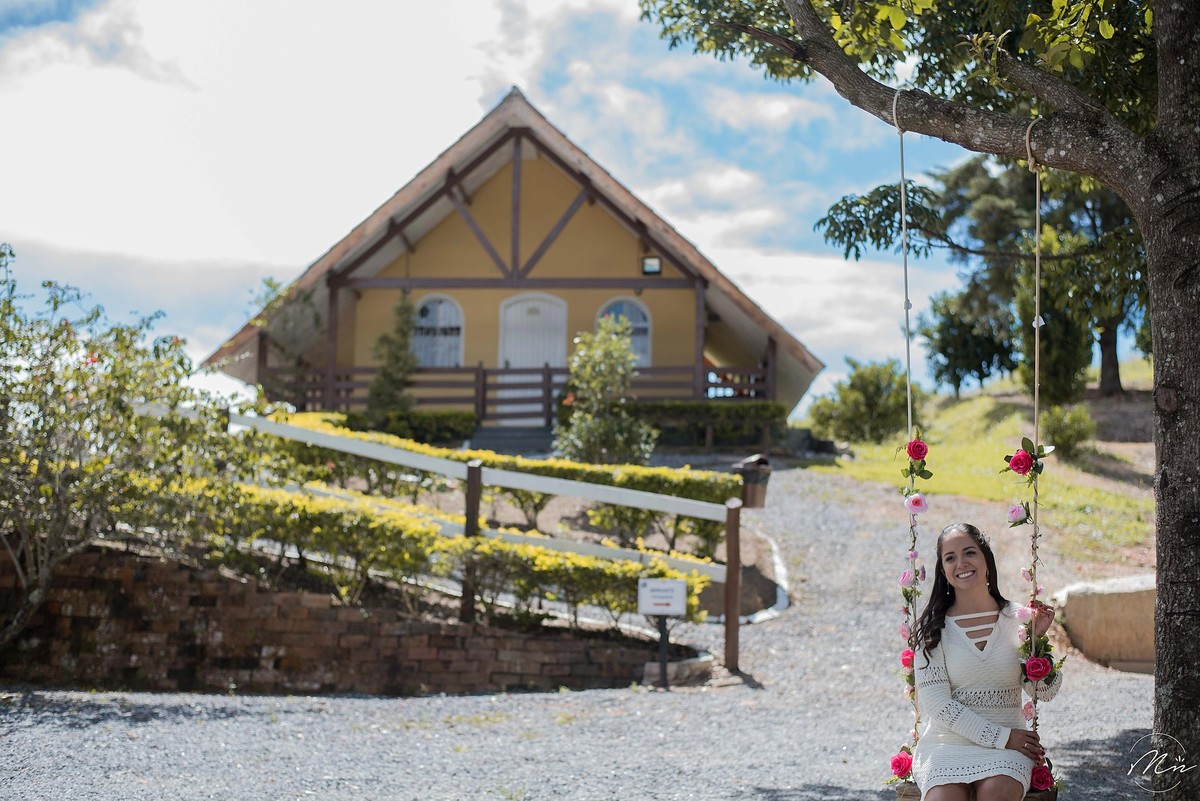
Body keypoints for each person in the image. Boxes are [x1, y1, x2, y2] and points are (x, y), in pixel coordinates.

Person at [910, 523, 1060, 801]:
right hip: (947, 745)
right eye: (950, 557)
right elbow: (938, 705)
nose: (961, 563)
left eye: (970, 553)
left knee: (996, 794)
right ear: (943, 570)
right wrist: (1002, 736)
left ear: (986, 561)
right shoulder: (932, 630)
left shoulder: (1019, 618)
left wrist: (1035, 643)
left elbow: (1047, 693)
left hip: (1007, 753)